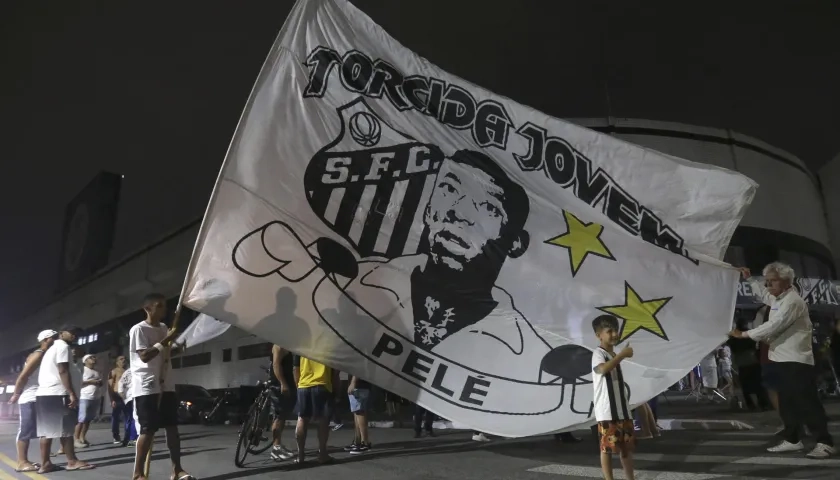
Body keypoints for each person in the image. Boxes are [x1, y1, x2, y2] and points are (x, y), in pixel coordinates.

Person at [730, 263, 834, 459]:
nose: (768, 284)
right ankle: (793, 439)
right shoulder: (779, 298)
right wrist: (750, 279)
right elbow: (764, 296)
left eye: (773, 280)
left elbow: (775, 325)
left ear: (786, 281)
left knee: (807, 402)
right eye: (767, 280)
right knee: (787, 403)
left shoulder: (793, 302)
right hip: (780, 359)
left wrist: (744, 334)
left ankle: (825, 441)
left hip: (796, 360)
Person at [129, 293, 194, 480]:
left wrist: (176, 349)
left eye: (164, 306)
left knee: (172, 426)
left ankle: (177, 470)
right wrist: (166, 340)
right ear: (147, 308)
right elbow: (145, 356)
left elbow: (163, 354)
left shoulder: (165, 327)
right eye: (159, 306)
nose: (164, 310)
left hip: (166, 383)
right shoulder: (139, 329)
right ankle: (138, 473)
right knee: (148, 429)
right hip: (147, 384)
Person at [34, 324, 95, 473]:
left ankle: (45, 463)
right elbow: (62, 370)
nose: (75, 336)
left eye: (77, 334)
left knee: (47, 431)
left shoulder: (52, 348)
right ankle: (72, 461)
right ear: (61, 333)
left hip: (45, 393)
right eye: (72, 333)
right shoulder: (62, 347)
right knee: (66, 430)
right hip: (58, 392)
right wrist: (71, 392)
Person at [591, 314, 635, 480]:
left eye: (616, 330)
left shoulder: (612, 354)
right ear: (599, 335)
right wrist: (622, 355)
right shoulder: (598, 353)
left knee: (626, 448)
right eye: (609, 331)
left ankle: (630, 477)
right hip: (607, 411)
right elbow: (602, 369)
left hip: (622, 410)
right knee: (607, 449)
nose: (615, 334)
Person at [7, 329, 56, 472]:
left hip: (42, 397)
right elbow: (23, 376)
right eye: (54, 337)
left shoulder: (47, 356)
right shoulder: (38, 355)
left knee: (45, 431)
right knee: (25, 431)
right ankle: (21, 462)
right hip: (30, 397)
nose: (57, 340)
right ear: (46, 339)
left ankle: (40, 462)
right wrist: (16, 393)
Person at [293, 354, 339, 465]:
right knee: (323, 421)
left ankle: (300, 456)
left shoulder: (300, 346)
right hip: (322, 385)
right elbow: (335, 372)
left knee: (302, 419)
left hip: (303, 386)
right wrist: (336, 391)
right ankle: (322, 455)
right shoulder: (328, 347)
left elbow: (295, 368)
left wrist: (299, 386)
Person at [268, 345, 295, 461]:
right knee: (278, 416)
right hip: (278, 385)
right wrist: (283, 383)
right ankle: (276, 448)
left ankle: (278, 445)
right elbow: (276, 364)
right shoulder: (278, 346)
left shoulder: (286, 346)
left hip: (286, 384)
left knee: (282, 416)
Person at [75, 354, 102, 447]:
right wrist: (91, 381)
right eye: (91, 357)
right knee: (81, 419)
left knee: (88, 419)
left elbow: (98, 382)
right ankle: (76, 439)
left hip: (95, 397)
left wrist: (99, 382)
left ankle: (83, 437)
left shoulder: (96, 371)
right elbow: (78, 382)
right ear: (85, 361)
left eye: (94, 357)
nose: (94, 358)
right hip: (85, 397)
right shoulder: (82, 370)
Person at [345, 374, 372, 454]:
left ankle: (365, 443)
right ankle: (358, 441)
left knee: (360, 412)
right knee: (356, 412)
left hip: (359, 385)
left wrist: (353, 382)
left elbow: (358, 367)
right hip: (357, 384)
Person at [108, 355, 128, 444]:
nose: (123, 360)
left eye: (124, 359)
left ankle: (128, 436)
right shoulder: (113, 372)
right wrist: (112, 399)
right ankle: (116, 437)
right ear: (117, 362)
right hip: (117, 396)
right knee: (116, 417)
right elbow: (110, 386)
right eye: (121, 359)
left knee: (128, 417)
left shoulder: (128, 371)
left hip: (126, 396)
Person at [117, 365, 138, 446]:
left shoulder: (129, 370)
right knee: (134, 418)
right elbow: (121, 382)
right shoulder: (131, 370)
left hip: (131, 397)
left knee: (130, 419)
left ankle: (127, 439)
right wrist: (121, 393)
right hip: (133, 396)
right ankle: (132, 438)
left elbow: (121, 382)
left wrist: (121, 393)